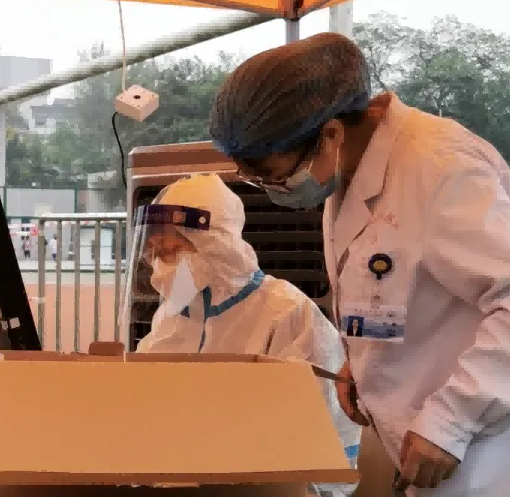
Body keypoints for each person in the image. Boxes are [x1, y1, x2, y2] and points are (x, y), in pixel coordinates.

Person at [209, 32, 510, 496]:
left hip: (486, 460)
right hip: (417, 444)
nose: (274, 191)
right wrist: (360, 362)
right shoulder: (347, 170)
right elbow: (398, 287)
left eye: (275, 176)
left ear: (331, 134)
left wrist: (451, 421)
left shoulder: (441, 167)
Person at [133, 174, 360, 496]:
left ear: (213, 244)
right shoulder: (174, 314)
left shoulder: (285, 311)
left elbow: (316, 435)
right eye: (155, 252)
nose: (160, 265)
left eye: (171, 250)